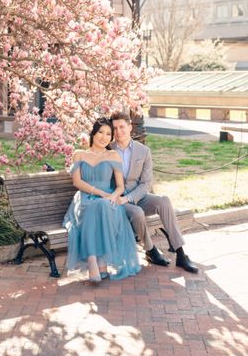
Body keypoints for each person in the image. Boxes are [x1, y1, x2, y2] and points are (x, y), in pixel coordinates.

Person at [110, 111, 198, 274]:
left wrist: (130, 197)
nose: (118, 132)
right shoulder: (108, 150)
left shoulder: (143, 151)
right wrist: (121, 199)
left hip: (137, 196)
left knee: (163, 200)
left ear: (130, 127)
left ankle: (180, 253)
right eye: (114, 128)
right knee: (137, 213)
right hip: (118, 201)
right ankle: (151, 250)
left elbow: (145, 183)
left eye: (122, 127)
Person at [63, 118, 141, 284]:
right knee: (96, 205)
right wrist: (99, 193)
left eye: (108, 134)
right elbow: (77, 182)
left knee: (103, 206)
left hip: (108, 199)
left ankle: (101, 260)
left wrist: (113, 196)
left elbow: (120, 186)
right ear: (93, 133)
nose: (104, 137)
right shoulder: (79, 154)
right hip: (84, 197)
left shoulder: (113, 155)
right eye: (100, 132)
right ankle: (94, 261)